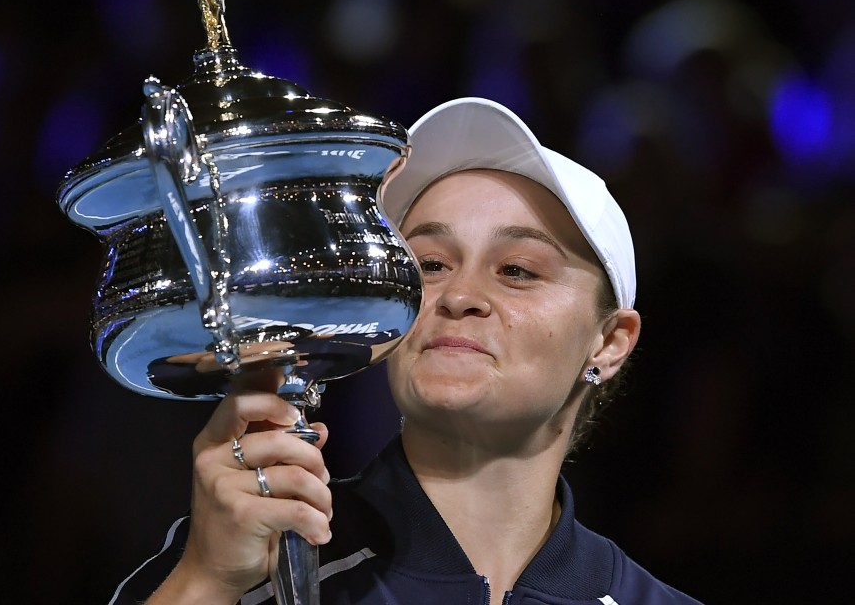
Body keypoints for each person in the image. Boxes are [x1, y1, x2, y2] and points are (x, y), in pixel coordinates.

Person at [109, 97, 701, 605]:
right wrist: (207, 579)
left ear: (610, 341)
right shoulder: (243, 558)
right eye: (430, 265)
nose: (459, 296)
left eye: (517, 270)